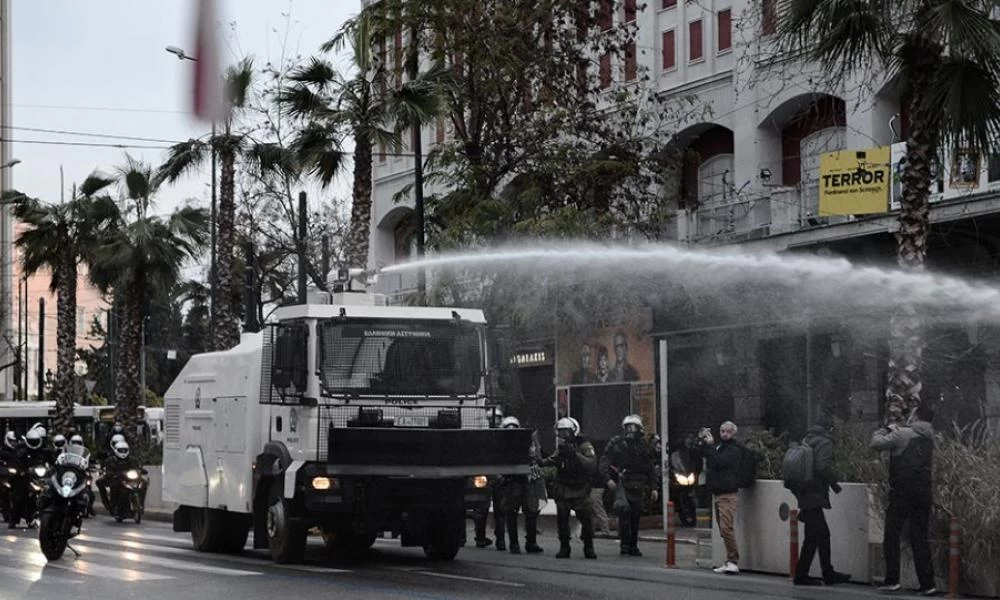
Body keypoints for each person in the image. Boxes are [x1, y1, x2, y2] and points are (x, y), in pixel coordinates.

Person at [871, 404, 937, 596]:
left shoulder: (903, 434)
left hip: (902, 492)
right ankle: (928, 584)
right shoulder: (929, 437)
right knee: (920, 538)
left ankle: (892, 580)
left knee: (891, 534)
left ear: (915, 416)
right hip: (923, 492)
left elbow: (875, 444)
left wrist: (885, 429)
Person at [791, 417, 851, 586]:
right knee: (822, 535)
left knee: (813, 537)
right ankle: (821, 574)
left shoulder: (806, 440)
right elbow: (822, 467)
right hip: (814, 496)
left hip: (804, 494)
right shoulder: (824, 442)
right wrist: (835, 483)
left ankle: (810, 574)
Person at [601, 414, 657, 556]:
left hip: (639, 484)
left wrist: (654, 488)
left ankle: (633, 545)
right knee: (624, 513)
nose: (630, 430)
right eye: (628, 427)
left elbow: (650, 468)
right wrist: (608, 479)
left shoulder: (644, 446)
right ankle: (625, 545)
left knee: (635, 516)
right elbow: (604, 461)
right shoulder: (617, 443)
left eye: (633, 427)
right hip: (623, 483)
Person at [544, 417, 597, 559]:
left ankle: (589, 546)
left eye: (566, 432)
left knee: (586, 518)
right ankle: (564, 547)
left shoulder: (584, 445)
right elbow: (551, 461)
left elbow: (591, 464)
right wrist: (538, 462)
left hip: (580, 488)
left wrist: (575, 455)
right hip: (564, 488)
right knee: (562, 519)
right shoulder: (561, 449)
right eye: (561, 433)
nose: (564, 436)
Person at [698, 421, 742, 574]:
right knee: (723, 530)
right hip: (718, 493)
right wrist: (704, 443)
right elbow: (708, 459)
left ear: (734, 433)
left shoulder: (733, 450)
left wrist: (710, 446)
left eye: (728, 431)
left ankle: (733, 561)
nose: (724, 434)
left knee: (726, 528)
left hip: (728, 494)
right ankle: (729, 560)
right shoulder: (719, 448)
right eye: (722, 431)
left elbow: (719, 462)